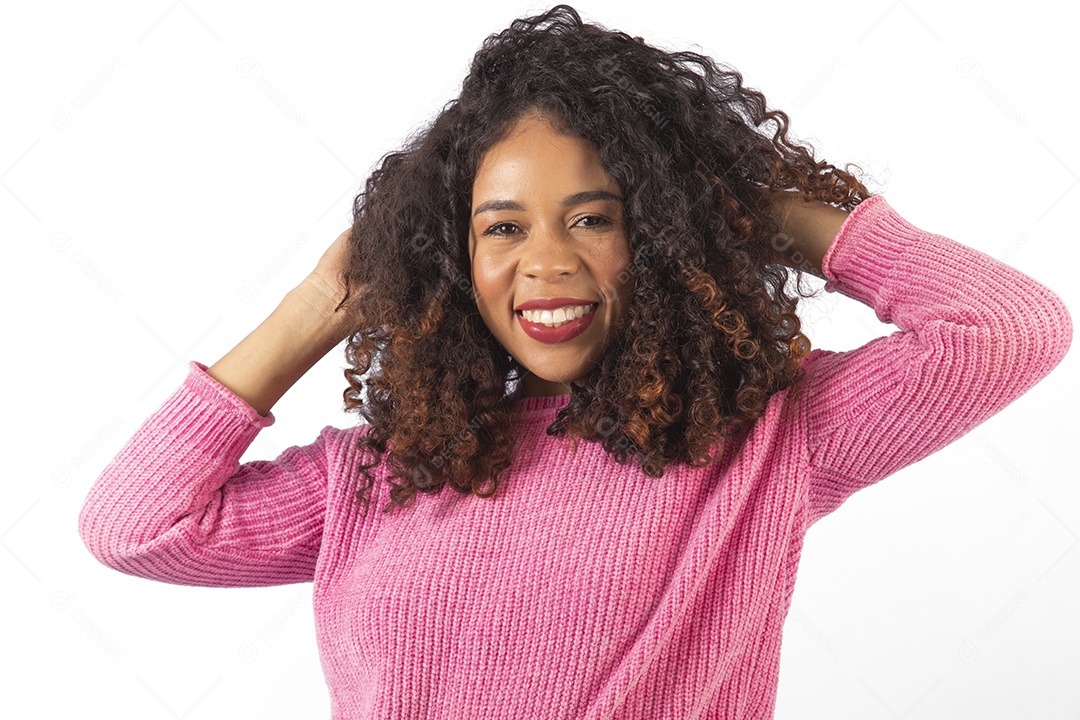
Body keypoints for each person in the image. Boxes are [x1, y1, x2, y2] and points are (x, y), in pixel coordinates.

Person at [78, 5, 1071, 718]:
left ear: (661, 235)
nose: (546, 263)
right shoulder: (384, 468)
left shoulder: (764, 441)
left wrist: (744, 213)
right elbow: (134, 529)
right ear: (453, 257)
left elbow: (1002, 329)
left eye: (596, 217)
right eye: (502, 226)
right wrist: (313, 311)